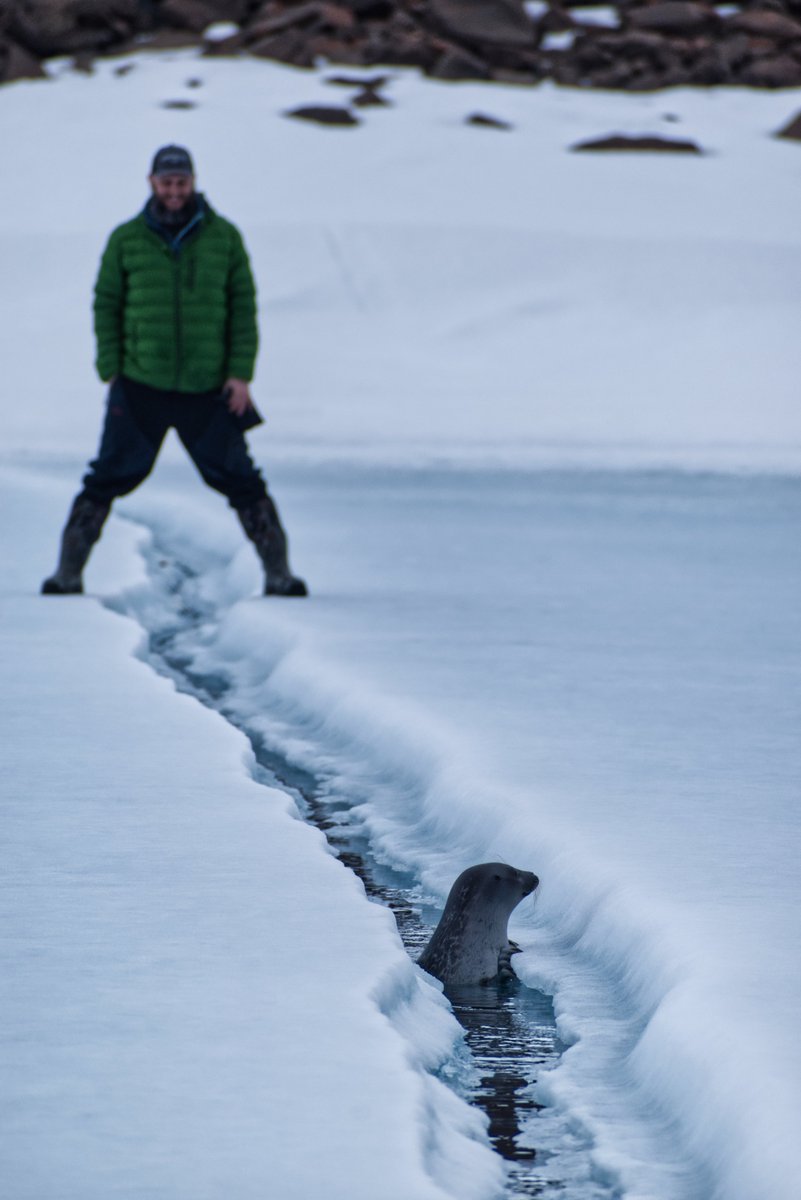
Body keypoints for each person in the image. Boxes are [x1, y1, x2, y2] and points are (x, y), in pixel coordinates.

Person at [42, 144, 307, 597]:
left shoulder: (225, 237)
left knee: (242, 480)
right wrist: (110, 367)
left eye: (181, 182)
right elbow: (106, 304)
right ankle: (67, 575)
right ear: (151, 183)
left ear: (193, 181)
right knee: (106, 477)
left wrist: (240, 374)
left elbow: (243, 309)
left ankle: (279, 575)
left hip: (208, 389)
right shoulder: (126, 239)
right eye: (166, 182)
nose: (174, 191)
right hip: (139, 386)